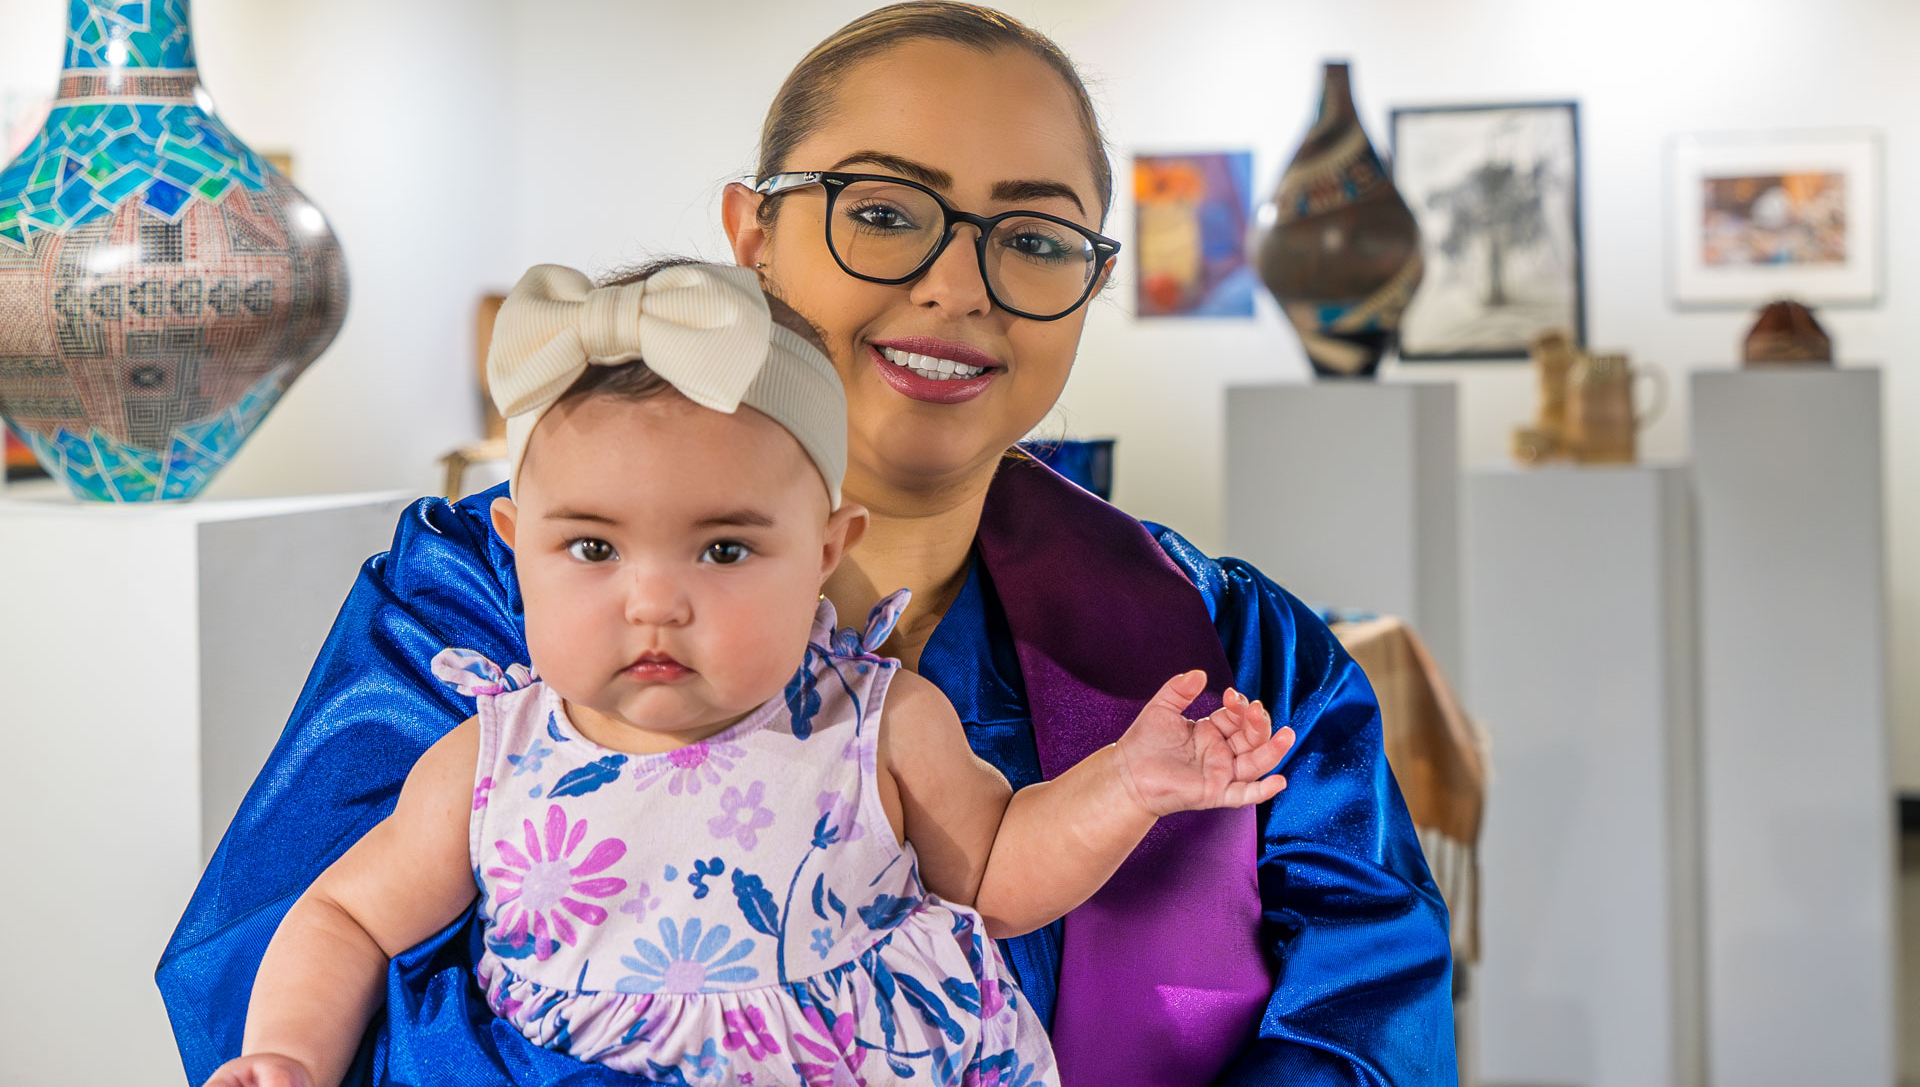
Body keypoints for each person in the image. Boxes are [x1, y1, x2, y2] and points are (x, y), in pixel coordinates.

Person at [161, 0, 1457, 1086]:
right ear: (752, 235)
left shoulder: (1231, 651)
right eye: (884, 212)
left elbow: (1365, 1024)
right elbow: (282, 956)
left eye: (1034, 237)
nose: (958, 285)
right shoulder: (474, 601)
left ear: (1091, 283)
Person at [203, 259, 1293, 1087]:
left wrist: (1126, 782)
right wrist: (286, 1052)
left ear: (825, 549)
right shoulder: (488, 765)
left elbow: (1000, 876)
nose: (654, 599)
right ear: (516, 544)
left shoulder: (874, 724)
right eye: (592, 547)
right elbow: (345, 915)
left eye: (723, 548)